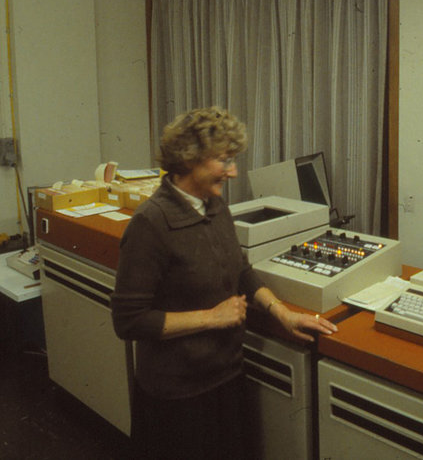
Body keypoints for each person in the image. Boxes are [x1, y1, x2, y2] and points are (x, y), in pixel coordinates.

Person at [110, 106, 337, 459]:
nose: (233, 171)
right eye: (224, 160)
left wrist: (282, 313)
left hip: (226, 376)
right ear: (190, 158)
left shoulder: (214, 206)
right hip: (177, 395)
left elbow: (240, 271)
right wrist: (211, 318)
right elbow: (129, 320)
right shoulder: (150, 223)